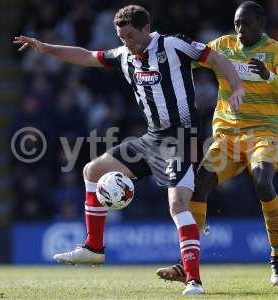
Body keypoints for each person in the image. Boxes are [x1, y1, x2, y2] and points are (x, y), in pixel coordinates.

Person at [14, 4, 244, 295]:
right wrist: (45, 48)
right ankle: (94, 247)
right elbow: (85, 56)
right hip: (150, 139)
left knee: (177, 205)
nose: (127, 43)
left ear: (146, 29)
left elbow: (218, 59)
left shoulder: (173, 45)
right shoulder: (123, 55)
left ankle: (193, 280)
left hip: (181, 139)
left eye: (132, 37)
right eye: (122, 38)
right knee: (93, 169)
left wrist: (236, 87)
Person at [156, 1, 278, 287]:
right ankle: (188, 265)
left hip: (265, 134)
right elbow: (191, 58)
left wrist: (268, 76)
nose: (240, 29)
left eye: (246, 23)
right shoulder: (223, 45)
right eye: (236, 23)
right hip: (228, 137)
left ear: (260, 22)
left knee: (262, 181)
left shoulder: (277, 51)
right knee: (200, 185)